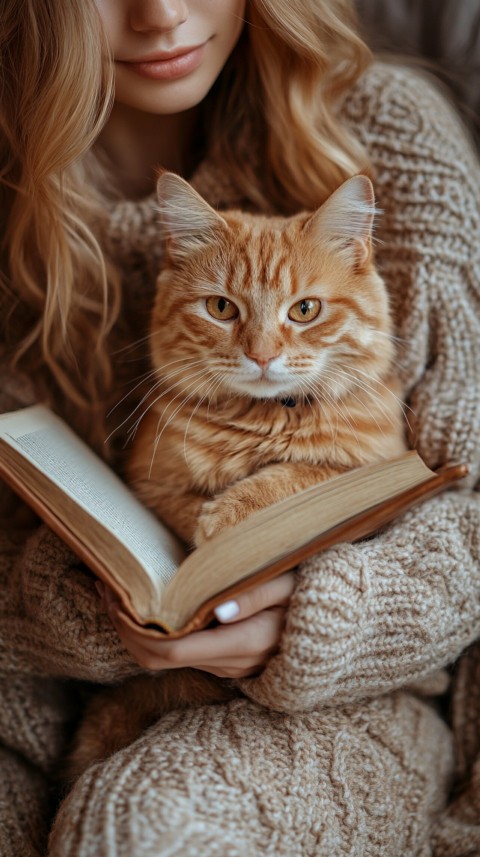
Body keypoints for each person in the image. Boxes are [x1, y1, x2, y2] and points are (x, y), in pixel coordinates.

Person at [0, 1, 479, 855]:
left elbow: (471, 509)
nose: (162, 14)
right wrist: (103, 620)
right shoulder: (19, 208)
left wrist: (320, 618)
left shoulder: (392, 133)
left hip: (357, 701)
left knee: (141, 829)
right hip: (82, 696)